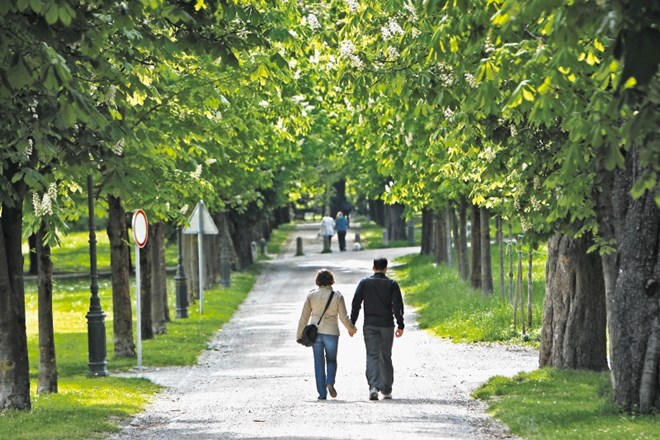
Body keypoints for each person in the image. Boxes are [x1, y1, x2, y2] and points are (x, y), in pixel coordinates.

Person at [297, 269, 357, 400]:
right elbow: (344, 317)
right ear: (331, 280)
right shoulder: (337, 296)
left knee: (318, 363)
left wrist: (299, 335)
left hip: (315, 333)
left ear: (318, 281)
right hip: (332, 332)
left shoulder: (311, 295)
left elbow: (304, 317)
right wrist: (351, 329)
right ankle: (330, 381)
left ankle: (322, 393)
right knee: (331, 360)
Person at [350, 257, 405, 400]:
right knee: (385, 355)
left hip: (370, 324)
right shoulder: (392, 284)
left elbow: (356, 303)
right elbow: (397, 306)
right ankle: (386, 389)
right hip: (387, 325)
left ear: (373, 268)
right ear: (386, 268)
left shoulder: (365, 283)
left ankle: (373, 387)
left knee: (372, 355)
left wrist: (352, 322)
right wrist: (400, 324)